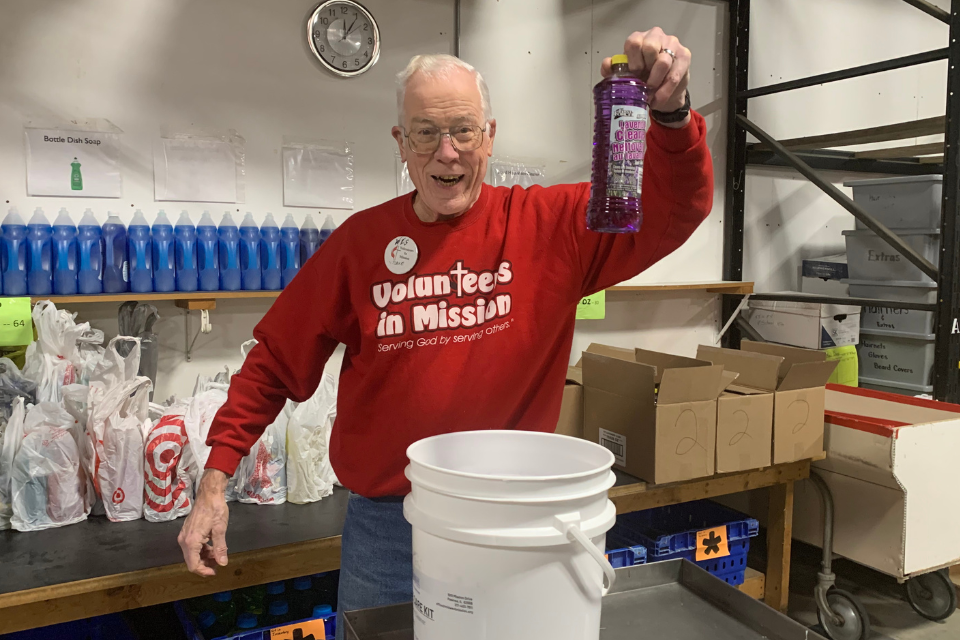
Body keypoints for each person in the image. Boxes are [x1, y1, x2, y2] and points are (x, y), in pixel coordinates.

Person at [179, 27, 710, 638]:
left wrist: (671, 116)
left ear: (490, 137)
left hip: (513, 523)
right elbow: (274, 361)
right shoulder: (360, 243)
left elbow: (677, 209)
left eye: (462, 130)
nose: (446, 152)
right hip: (386, 528)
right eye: (426, 133)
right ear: (402, 144)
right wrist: (214, 480)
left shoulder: (550, 224)